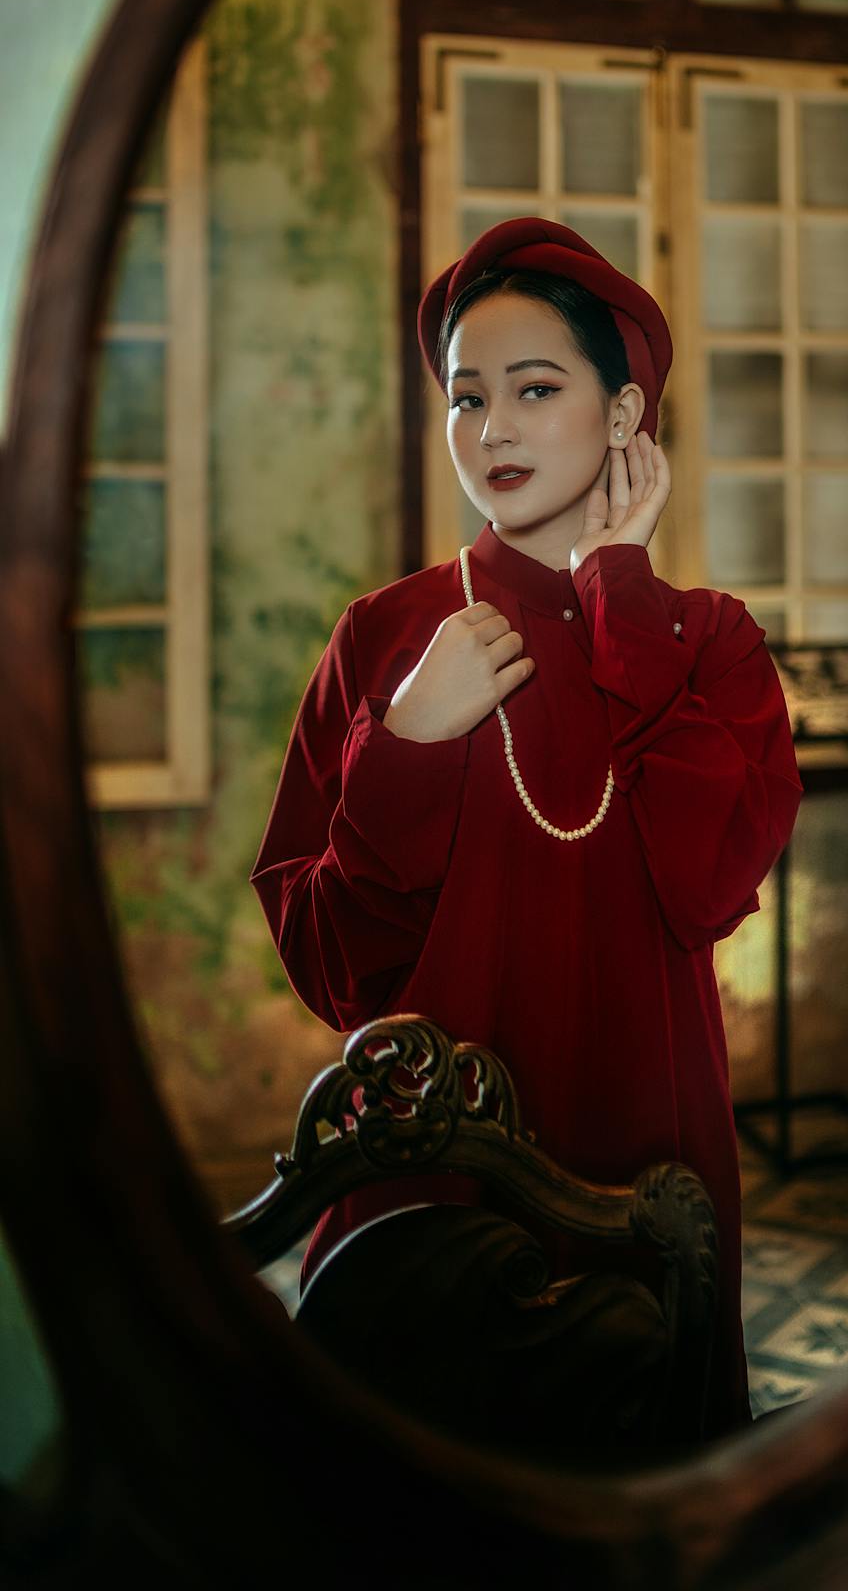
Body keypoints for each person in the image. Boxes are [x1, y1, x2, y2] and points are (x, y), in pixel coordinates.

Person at [251, 215, 804, 1438]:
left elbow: (711, 883)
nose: (491, 428)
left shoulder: (709, 642)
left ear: (624, 415)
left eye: (535, 388)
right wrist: (405, 738)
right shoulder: (383, 636)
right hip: (422, 1187)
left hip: (648, 1169)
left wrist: (619, 593)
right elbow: (332, 963)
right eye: (467, 397)